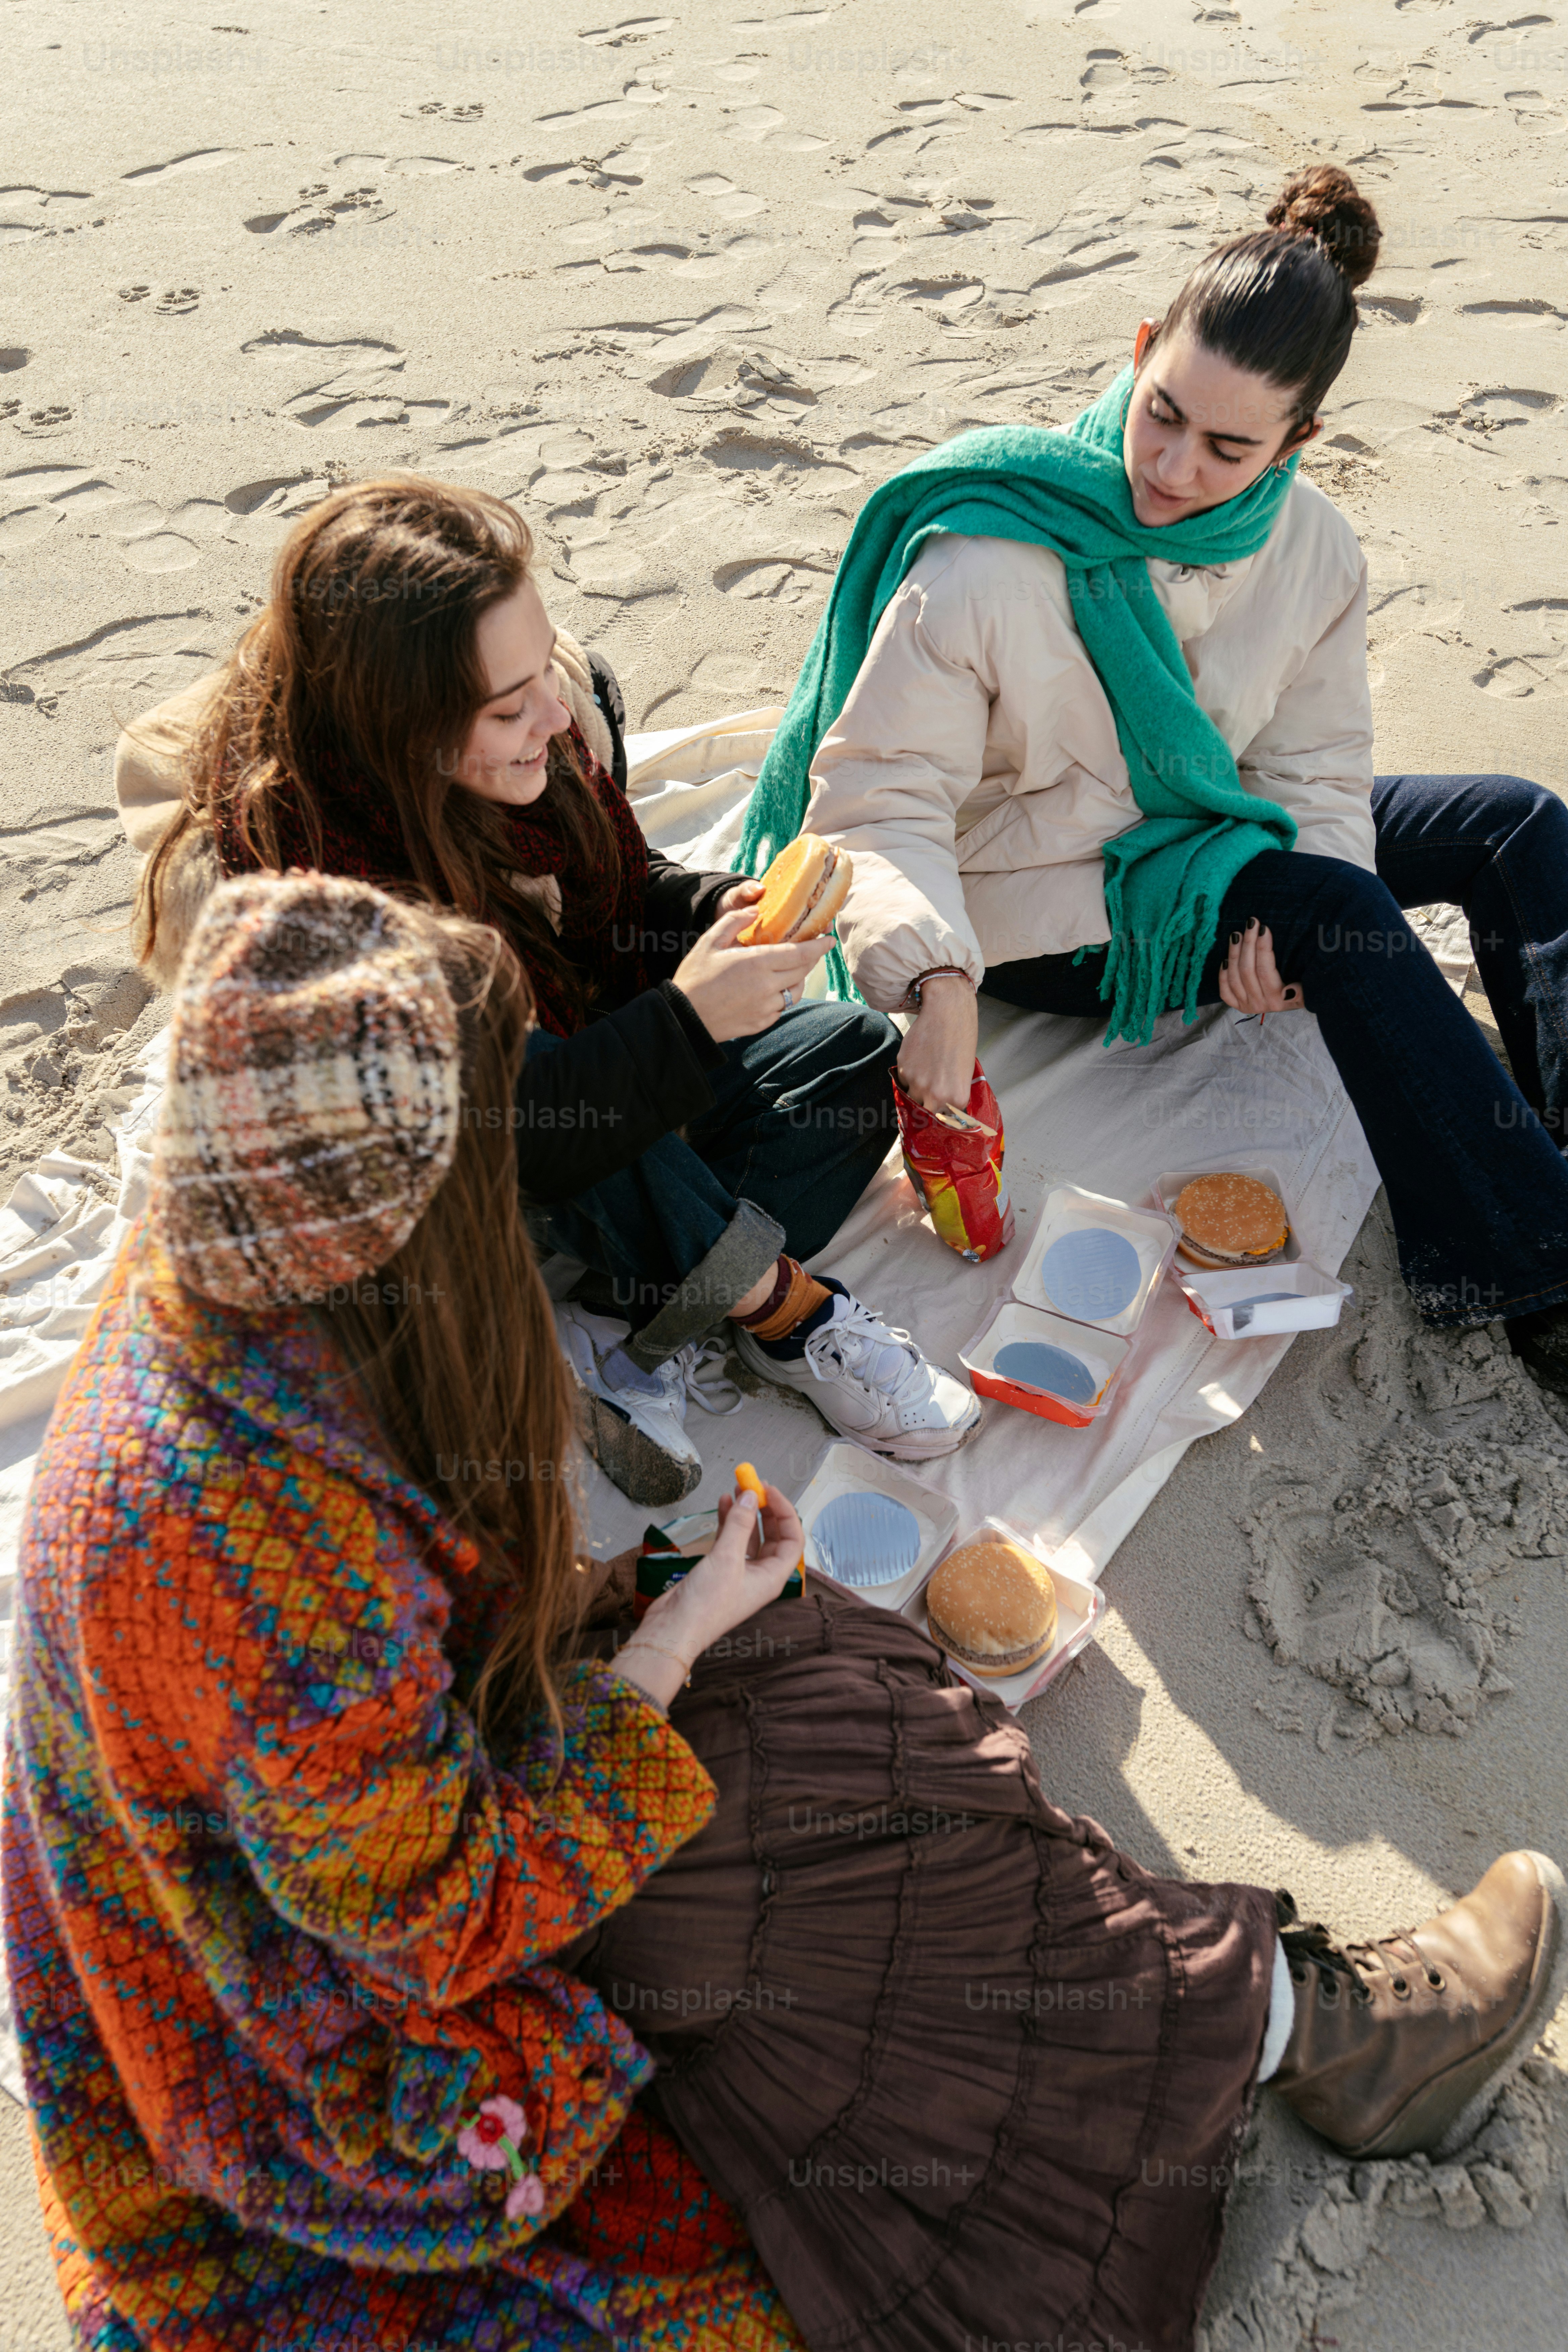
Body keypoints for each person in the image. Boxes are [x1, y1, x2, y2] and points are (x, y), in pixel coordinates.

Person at [7, 868, 1562, 2352]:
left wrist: (654, 1611)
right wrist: (665, 1650)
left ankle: (1252, 2007)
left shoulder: (239, 1268)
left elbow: (423, 1660)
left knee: (825, 1663)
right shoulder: (242, 1538)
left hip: (395, 1830)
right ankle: (1307, 2040)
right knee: (808, 1847)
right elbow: (437, 1925)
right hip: (319, 2035)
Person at [739, 165, 1568, 1382]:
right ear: (1139, 353)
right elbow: (877, 798)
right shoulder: (991, 549)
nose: (1174, 468)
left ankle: (1539, 1140)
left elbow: (1315, 766)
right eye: (1161, 413)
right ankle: (1529, 1263)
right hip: (1045, 910)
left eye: (1229, 447)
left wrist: (1291, 946)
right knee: (1342, 909)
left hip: (1213, 840)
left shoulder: (1313, 548)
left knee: (1517, 826)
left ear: (1299, 442)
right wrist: (938, 976)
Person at [114, 478, 980, 1507]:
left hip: (575, 1085)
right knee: (590, 1112)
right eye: (510, 705)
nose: (558, 714)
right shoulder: (319, 901)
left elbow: (615, 897)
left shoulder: (539, 740)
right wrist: (691, 1022)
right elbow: (515, 1124)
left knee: (847, 1057)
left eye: (545, 674)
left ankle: (611, 1330)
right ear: (402, 727)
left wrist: (705, 908)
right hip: (452, 1193)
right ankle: (783, 1314)